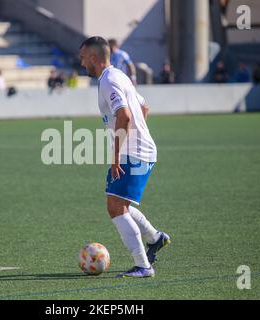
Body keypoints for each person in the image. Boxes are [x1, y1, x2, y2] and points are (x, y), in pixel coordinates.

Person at [79, 36, 170, 278]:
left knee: (115, 207)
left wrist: (117, 156)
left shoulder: (108, 81)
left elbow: (126, 116)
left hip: (133, 153)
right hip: (140, 149)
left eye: (83, 58)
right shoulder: (118, 75)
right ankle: (155, 238)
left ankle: (143, 266)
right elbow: (144, 107)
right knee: (121, 204)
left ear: (93, 59)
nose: (81, 64)